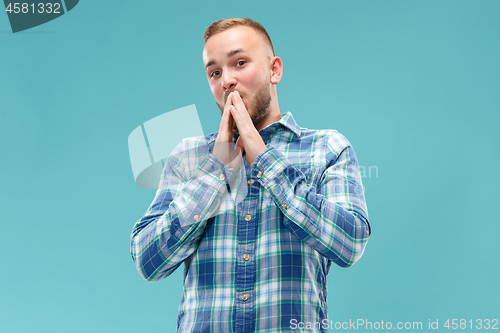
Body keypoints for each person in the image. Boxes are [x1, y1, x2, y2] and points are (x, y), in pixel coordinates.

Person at [130, 18, 371, 333]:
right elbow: (149, 261)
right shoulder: (189, 157)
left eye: (239, 63)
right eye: (214, 72)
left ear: (274, 70)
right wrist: (216, 171)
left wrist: (266, 160)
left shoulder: (327, 147)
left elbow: (350, 243)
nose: (226, 80)